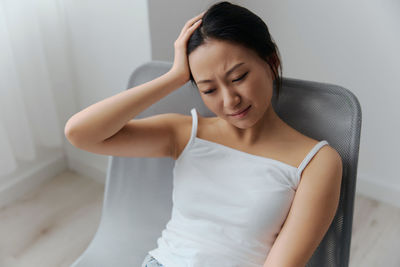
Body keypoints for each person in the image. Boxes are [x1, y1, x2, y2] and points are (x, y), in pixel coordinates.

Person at [64, 2, 343, 267]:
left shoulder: (316, 162)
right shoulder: (186, 134)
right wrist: (173, 77)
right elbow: (80, 134)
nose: (229, 99)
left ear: (271, 62)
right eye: (209, 89)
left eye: (238, 78)